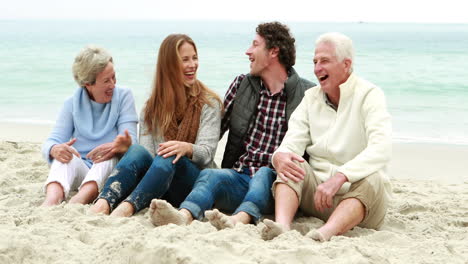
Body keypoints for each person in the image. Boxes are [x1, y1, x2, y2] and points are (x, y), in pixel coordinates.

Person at [149, 22, 314, 228]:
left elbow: (318, 149)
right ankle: (183, 215)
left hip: (276, 186)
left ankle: (238, 220)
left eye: (255, 45)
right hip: (238, 178)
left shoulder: (307, 94)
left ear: (273, 52)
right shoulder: (241, 85)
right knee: (210, 174)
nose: (248, 51)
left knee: (263, 173)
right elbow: (212, 133)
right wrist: (182, 143)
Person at [261, 32, 392, 242]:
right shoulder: (310, 97)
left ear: (346, 64)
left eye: (324, 61)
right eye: (314, 61)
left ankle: (324, 234)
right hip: (318, 198)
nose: (316, 68)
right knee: (291, 162)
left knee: (375, 178)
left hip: (359, 204)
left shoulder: (370, 95)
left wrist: (341, 177)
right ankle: (282, 227)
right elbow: (291, 142)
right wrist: (279, 157)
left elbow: (381, 148)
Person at [89, 34, 222, 217]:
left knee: (170, 153)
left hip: (194, 186)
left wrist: (186, 148)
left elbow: (207, 155)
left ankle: (127, 207)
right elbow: (147, 158)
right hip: (159, 186)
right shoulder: (151, 110)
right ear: (169, 65)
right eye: (185, 60)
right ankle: (104, 202)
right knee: (136, 150)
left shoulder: (210, 103)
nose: (192, 65)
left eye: (194, 58)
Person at [41, 45, 138, 206]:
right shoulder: (71, 104)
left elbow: (132, 140)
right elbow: (52, 141)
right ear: (88, 84)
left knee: (107, 155)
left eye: (114, 77)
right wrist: (54, 149)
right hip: (83, 168)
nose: (113, 84)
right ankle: (51, 201)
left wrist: (121, 145)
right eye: (106, 80)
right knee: (65, 156)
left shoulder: (124, 97)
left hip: (110, 168)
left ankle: (79, 201)